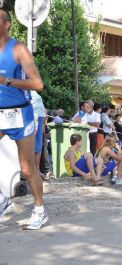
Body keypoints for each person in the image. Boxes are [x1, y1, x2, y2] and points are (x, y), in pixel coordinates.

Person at [0, 8, 48, 229]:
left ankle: (39, 210)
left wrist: (6, 81)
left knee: (27, 169)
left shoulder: (18, 49)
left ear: (7, 24)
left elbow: (38, 84)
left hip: (21, 113)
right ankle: (3, 201)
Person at [31, 91, 48, 181]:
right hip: (32, 117)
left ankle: (37, 170)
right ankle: (34, 170)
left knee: (38, 146)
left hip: (39, 117)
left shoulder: (33, 90)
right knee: (32, 146)